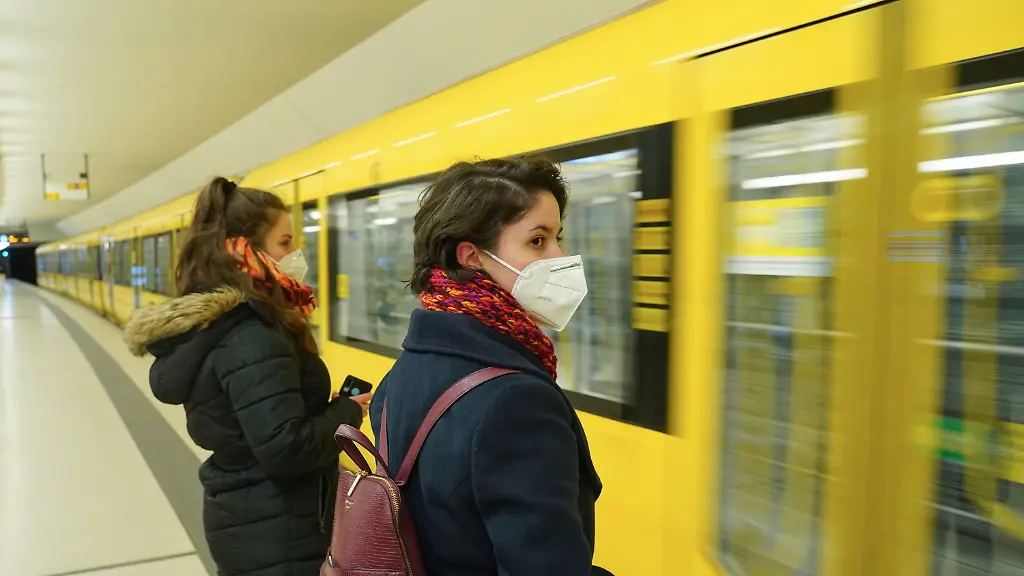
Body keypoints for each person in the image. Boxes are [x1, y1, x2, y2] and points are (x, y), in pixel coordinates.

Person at [369, 158, 608, 576]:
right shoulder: (517, 402)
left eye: (558, 238)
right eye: (537, 241)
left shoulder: (403, 373)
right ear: (472, 257)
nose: (560, 257)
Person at [124, 177, 369, 576]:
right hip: (280, 530)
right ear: (243, 251)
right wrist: (347, 410)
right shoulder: (253, 337)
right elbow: (286, 448)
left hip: (250, 517)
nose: (295, 254)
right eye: (284, 242)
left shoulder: (223, 328)